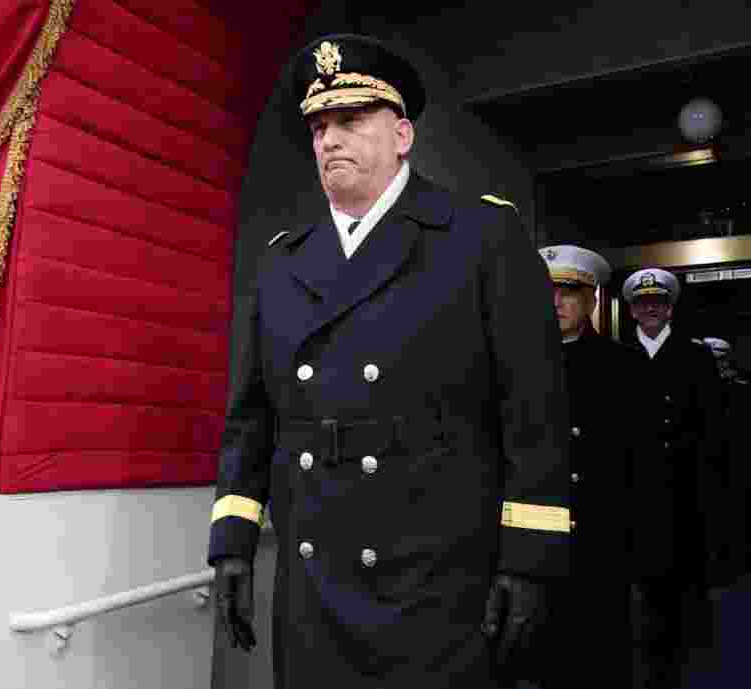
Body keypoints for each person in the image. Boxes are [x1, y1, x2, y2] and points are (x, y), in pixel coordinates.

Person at [206, 34, 572, 689]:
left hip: (435, 588)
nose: (329, 140)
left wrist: (530, 561)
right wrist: (233, 543)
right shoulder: (283, 262)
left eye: (350, 121)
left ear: (402, 135)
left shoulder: (481, 237)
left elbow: (534, 411)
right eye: (319, 126)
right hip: (314, 588)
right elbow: (252, 417)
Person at [532, 244, 637, 688]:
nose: (556, 301)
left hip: (602, 534)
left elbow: (644, 463)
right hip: (535, 536)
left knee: (600, 657)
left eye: (569, 291)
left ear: (592, 298)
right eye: (547, 291)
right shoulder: (518, 365)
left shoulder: (624, 366)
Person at [621, 268, 722, 688]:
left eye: (658, 302)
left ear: (670, 307)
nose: (650, 308)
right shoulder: (618, 355)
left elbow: (713, 426)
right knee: (636, 575)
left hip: (684, 483)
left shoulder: (695, 356)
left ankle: (677, 654)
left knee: (681, 575)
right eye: (643, 303)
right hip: (631, 485)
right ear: (631, 310)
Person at [701, 336, 751, 580]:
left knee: (734, 514)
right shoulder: (707, 387)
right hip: (714, 460)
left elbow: (749, 428)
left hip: (733, 460)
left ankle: (734, 562)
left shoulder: (737, 387)